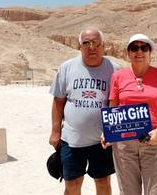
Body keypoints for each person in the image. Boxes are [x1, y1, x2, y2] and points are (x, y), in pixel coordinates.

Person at [49, 27, 119, 195]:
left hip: (102, 141)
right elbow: (58, 101)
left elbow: (116, 104)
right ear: (79, 46)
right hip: (71, 139)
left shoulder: (114, 70)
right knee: (72, 184)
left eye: (95, 42)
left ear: (103, 46)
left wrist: (113, 133)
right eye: (86, 43)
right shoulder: (66, 68)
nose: (91, 47)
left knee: (103, 182)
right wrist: (55, 131)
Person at [106, 34, 157, 195]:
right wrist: (108, 133)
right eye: (134, 48)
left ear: (150, 52)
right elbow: (113, 110)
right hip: (124, 144)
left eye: (144, 48)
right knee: (128, 191)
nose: (139, 52)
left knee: (155, 191)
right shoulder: (117, 76)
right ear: (128, 53)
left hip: (154, 141)